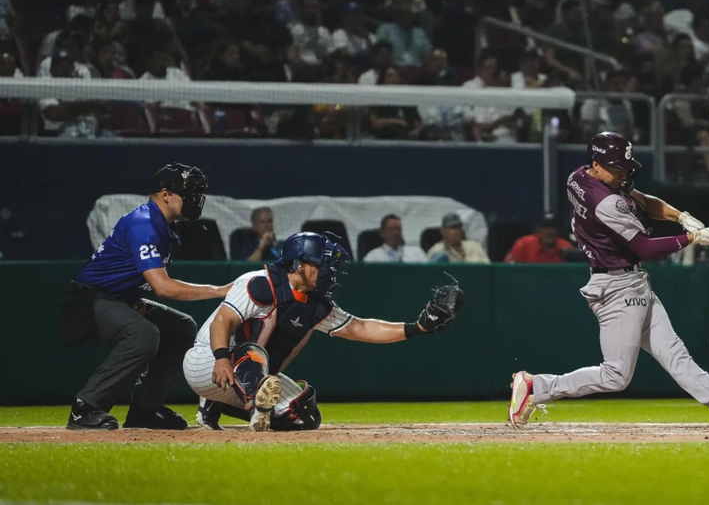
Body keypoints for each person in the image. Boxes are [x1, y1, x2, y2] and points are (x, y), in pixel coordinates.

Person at [508, 132, 709, 430]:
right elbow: (644, 248)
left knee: (675, 355)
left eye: (625, 167)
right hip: (617, 289)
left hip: (631, 282)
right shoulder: (605, 202)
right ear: (597, 164)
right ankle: (537, 386)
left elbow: (641, 199)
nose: (623, 174)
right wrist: (692, 238)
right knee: (615, 376)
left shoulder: (578, 176)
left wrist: (680, 217)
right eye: (616, 168)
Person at [187, 232, 462, 431]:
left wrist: (417, 327)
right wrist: (221, 358)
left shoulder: (317, 305)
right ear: (299, 265)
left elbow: (361, 327)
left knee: (304, 417)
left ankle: (218, 404)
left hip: (249, 375)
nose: (329, 270)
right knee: (252, 350)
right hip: (208, 362)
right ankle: (238, 398)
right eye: (322, 263)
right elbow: (221, 322)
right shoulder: (258, 283)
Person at [60, 163, 229, 430]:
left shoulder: (164, 226)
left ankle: (145, 410)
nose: (195, 199)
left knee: (181, 326)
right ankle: (86, 408)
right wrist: (218, 290)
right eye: (189, 192)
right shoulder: (144, 224)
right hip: (90, 299)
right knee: (144, 334)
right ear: (165, 194)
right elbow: (163, 287)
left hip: (119, 298)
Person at [505, 216, 574, 263]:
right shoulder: (524, 244)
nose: (549, 232)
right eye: (545, 227)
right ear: (538, 230)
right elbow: (508, 265)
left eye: (552, 227)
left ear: (558, 231)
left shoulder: (566, 247)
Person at [362, 214, 428, 263]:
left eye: (398, 229)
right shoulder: (373, 257)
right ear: (382, 233)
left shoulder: (416, 253)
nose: (395, 233)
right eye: (391, 229)